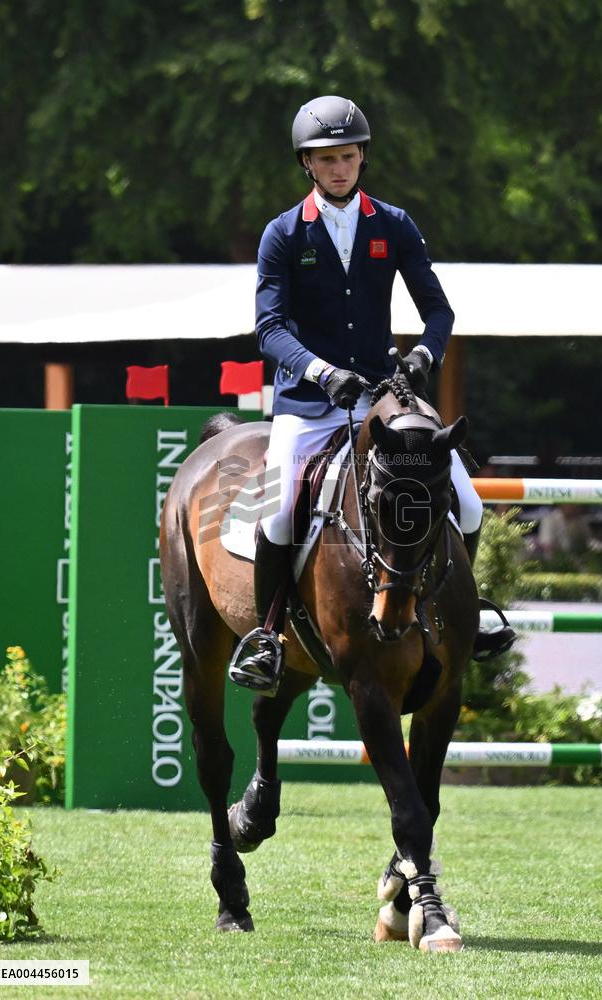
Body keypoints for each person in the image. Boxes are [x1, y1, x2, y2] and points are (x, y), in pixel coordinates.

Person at [230, 94, 515, 696]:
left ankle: (467, 610)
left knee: (465, 501)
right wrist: (322, 373)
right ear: (308, 164)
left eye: (349, 156)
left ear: (362, 158)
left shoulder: (393, 224)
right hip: (309, 402)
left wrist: (421, 357)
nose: (340, 168)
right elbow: (270, 329)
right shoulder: (283, 233)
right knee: (278, 515)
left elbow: (437, 309)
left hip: (385, 396)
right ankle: (268, 637)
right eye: (327, 158)